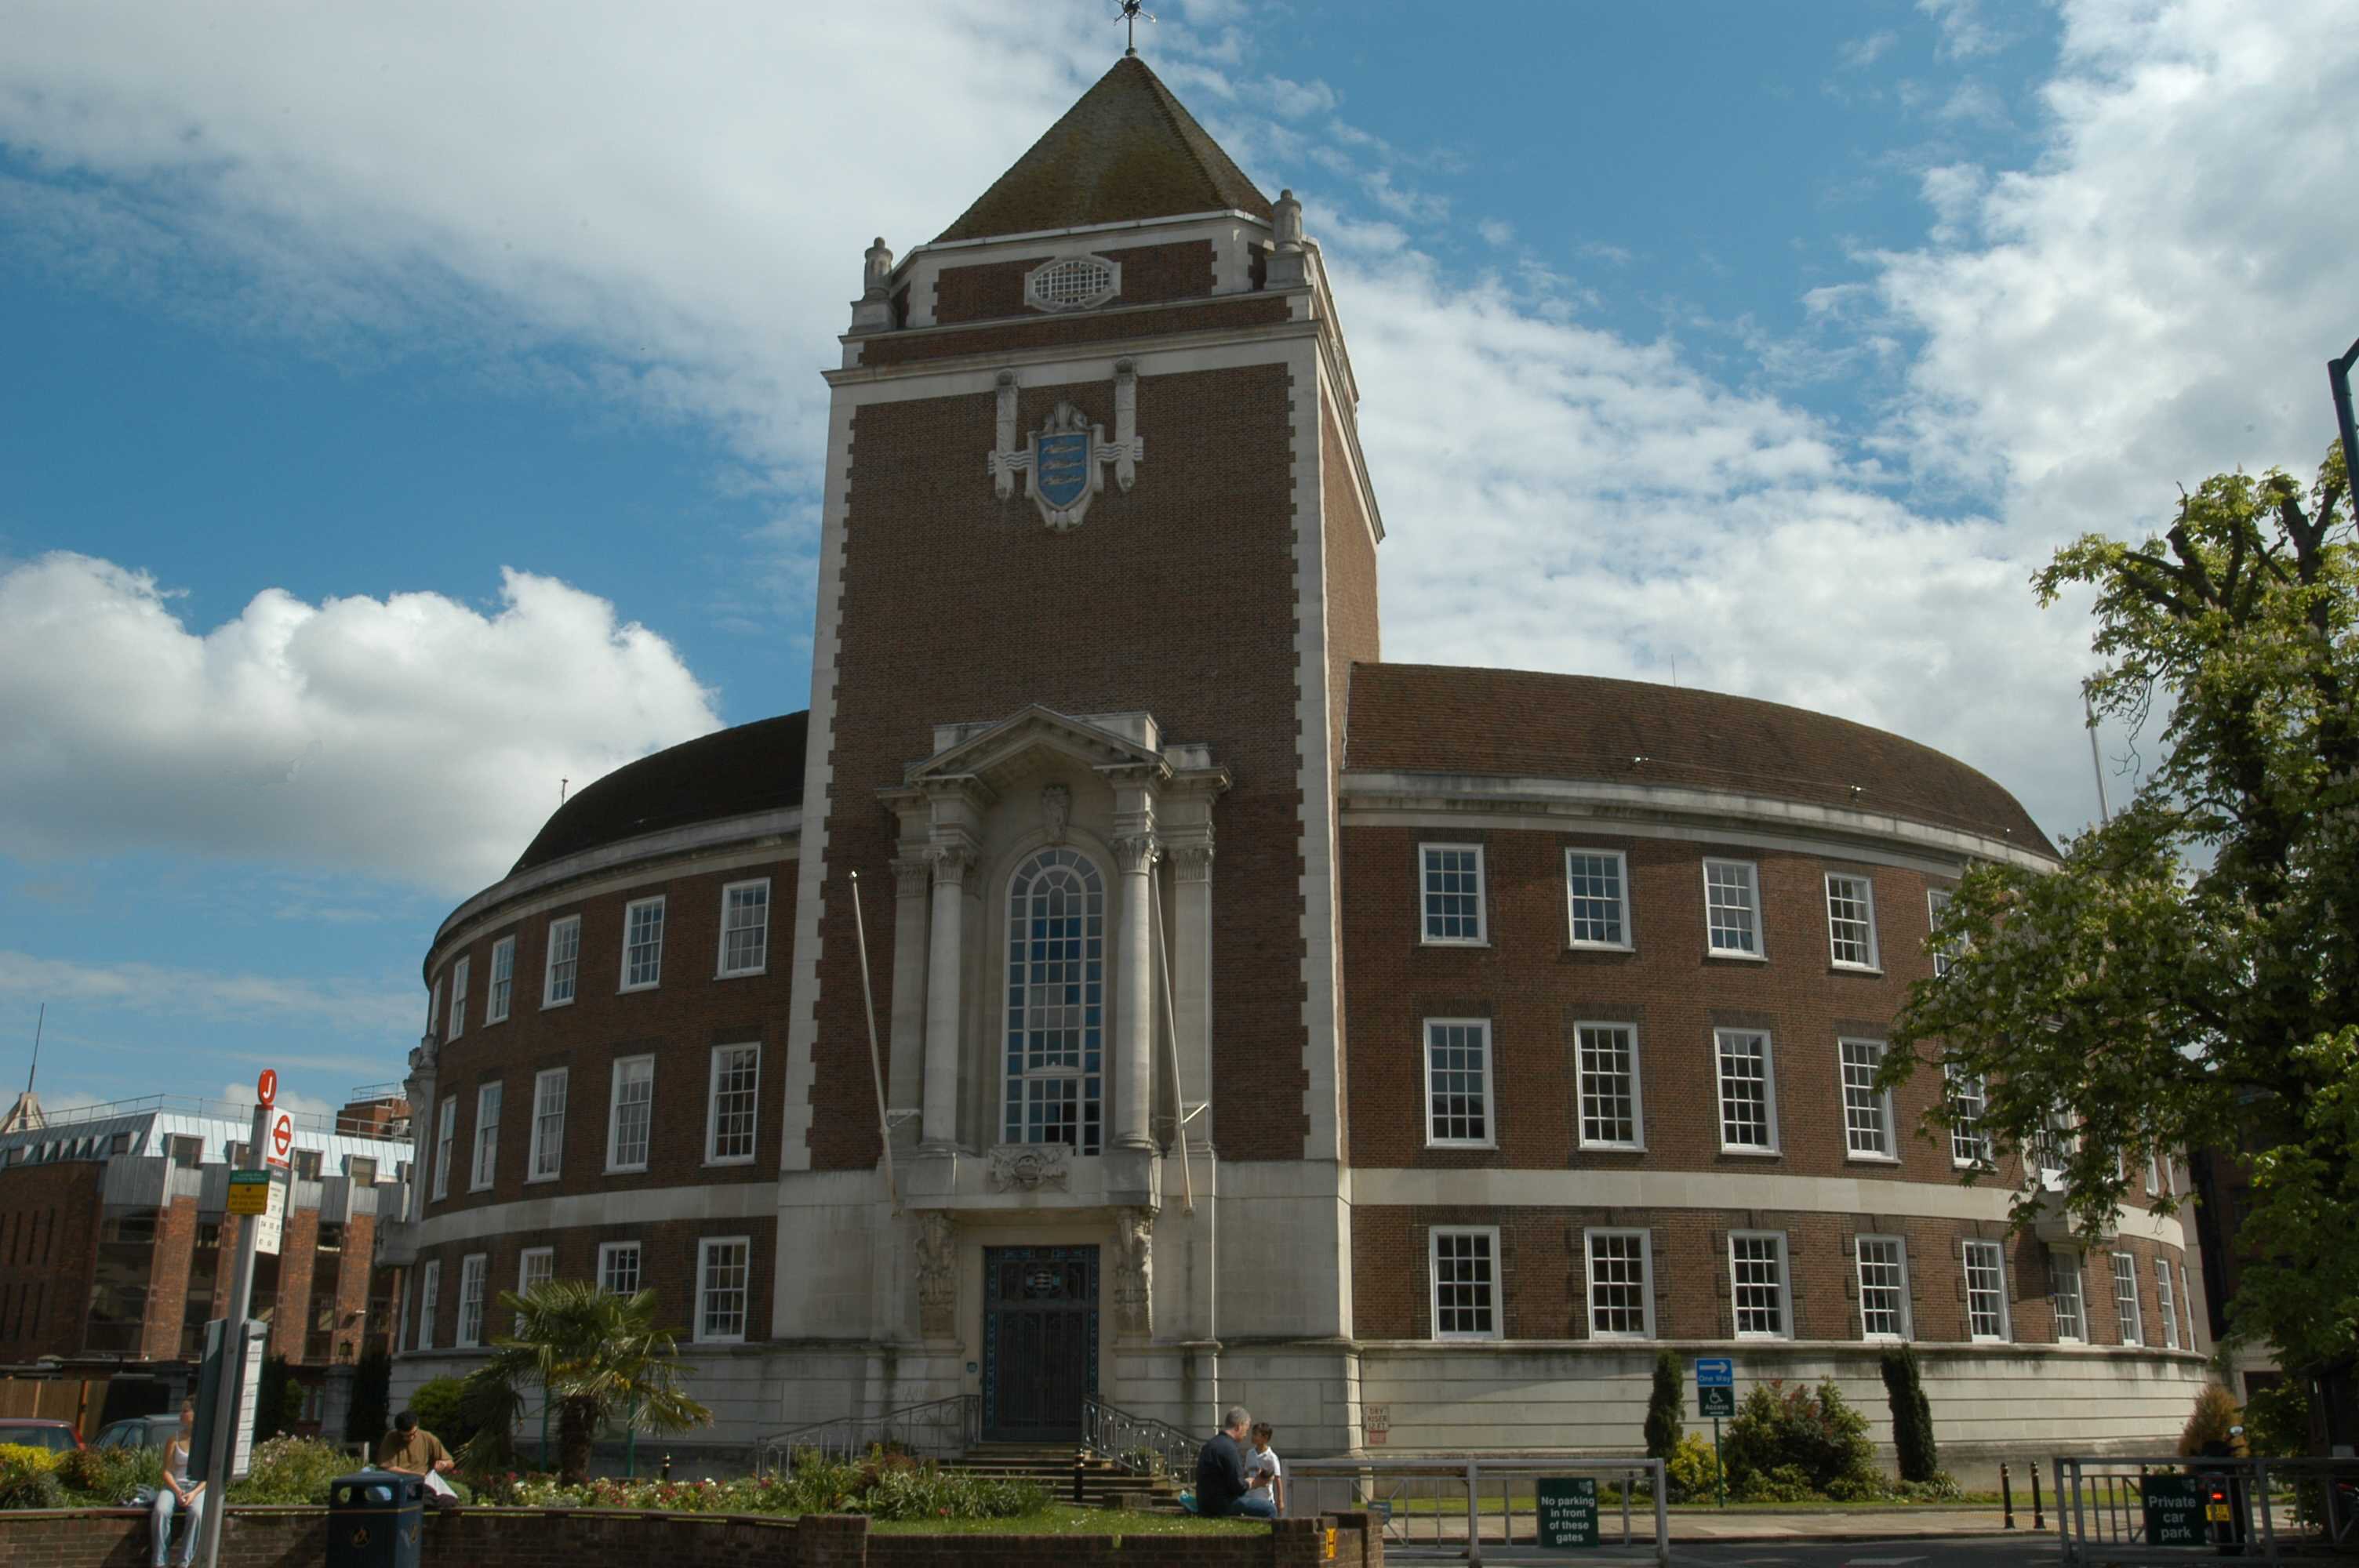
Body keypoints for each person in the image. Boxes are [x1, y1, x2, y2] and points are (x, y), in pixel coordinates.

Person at [1192, 1405, 1275, 1519]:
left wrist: (1246, 1482)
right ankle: (1270, 1536)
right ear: (1239, 1426)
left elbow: (1225, 1481)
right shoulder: (1230, 1448)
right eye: (1246, 1428)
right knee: (1270, 1508)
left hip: (1204, 1502)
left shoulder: (1211, 1444)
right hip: (1221, 1505)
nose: (1246, 1434)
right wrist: (1255, 1482)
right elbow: (1238, 1488)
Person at [149, 1401, 203, 1568]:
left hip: (197, 1489)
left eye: (185, 1411)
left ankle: (183, 1563)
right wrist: (177, 1490)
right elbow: (166, 1471)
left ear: (195, 1414)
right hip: (174, 1487)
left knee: (197, 1514)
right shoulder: (174, 1439)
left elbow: (208, 1475)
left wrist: (193, 1494)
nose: (181, 1414)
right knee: (161, 1511)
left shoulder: (205, 1442)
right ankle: (159, 1562)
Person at [378, 1409, 460, 1504]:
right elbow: (387, 1468)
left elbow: (450, 1463)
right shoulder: (391, 1438)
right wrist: (414, 1475)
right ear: (399, 1432)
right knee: (419, 1496)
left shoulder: (427, 1437)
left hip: (425, 1482)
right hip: (402, 1483)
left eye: (414, 1433)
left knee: (450, 1500)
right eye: (407, 1436)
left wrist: (444, 1464)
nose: (412, 1437)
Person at [1245, 1421, 1285, 1516]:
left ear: (1265, 1438)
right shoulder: (1250, 1454)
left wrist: (1280, 1500)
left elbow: (1278, 1479)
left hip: (1266, 1500)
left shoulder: (1271, 1457)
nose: (1252, 1437)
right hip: (1250, 1499)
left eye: (1255, 1434)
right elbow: (1246, 1473)